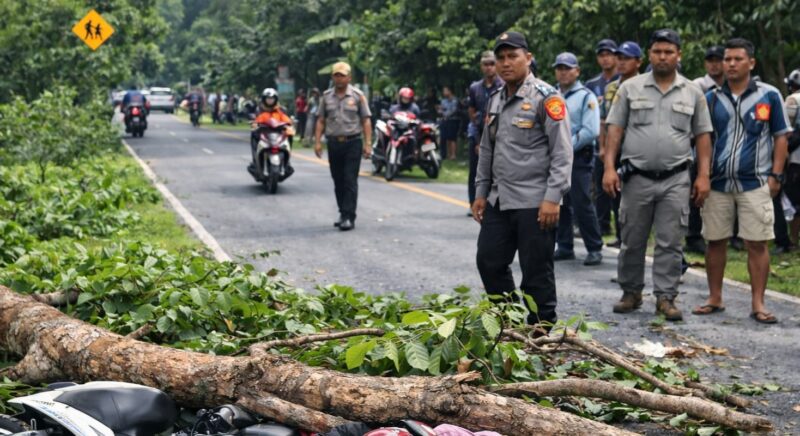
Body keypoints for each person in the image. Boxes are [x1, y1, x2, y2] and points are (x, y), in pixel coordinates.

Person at [603, 29, 713, 321]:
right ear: (648, 55)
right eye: (657, 51)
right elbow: (614, 130)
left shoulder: (692, 91)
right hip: (636, 177)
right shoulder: (630, 88)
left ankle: (666, 297)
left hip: (676, 178)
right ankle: (631, 292)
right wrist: (609, 168)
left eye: (668, 51)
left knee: (670, 241)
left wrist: (704, 176)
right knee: (632, 238)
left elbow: (703, 136)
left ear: (679, 55)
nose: (663, 57)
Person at [473, 31, 573, 328]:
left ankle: (542, 331)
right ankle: (509, 323)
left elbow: (562, 153)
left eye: (512, 56)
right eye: (501, 58)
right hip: (499, 199)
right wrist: (480, 192)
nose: (506, 64)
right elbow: (487, 150)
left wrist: (553, 198)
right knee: (488, 261)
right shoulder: (495, 99)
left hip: (536, 201)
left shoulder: (547, 98)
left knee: (536, 272)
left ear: (528, 58)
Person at [693, 38, 792, 324]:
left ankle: (758, 303)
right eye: (727, 59)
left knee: (757, 243)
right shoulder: (711, 97)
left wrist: (776, 175)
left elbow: (780, 137)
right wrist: (702, 175)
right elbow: (704, 139)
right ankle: (715, 297)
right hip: (718, 182)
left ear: (751, 62)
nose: (731, 64)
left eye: (738, 59)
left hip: (755, 180)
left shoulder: (769, 95)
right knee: (714, 240)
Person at [551, 52, 604, 266]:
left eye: (567, 68)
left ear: (577, 71)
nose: (563, 72)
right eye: (560, 68)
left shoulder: (586, 96)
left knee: (582, 201)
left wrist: (565, 146)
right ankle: (564, 246)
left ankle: (594, 247)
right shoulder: (551, 95)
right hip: (555, 158)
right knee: (560, 201)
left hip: (579, 156)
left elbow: (590, 130)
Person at [314, 62, 372, 232]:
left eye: (342, 75)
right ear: (332, 77)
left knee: (349, 179)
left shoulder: (357, 96)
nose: (339, 78)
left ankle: (349, 216)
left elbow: (366, 120)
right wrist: (317, 142)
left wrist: (368, 144)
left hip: (353, 142)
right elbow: (321, 120)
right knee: (338, 180)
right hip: (333, 143)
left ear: (349, 78)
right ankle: (342, 212)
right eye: (336, 75)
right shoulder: (326, 97)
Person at [683, 45, 726, 255]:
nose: (714, 64)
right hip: (698, 140)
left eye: (718, 59)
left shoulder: (732, 85)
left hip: (723, 143)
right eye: (710, 60)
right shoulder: (697, 85)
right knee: (696, 193)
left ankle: (731, 236)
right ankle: (693, 236)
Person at [599, 41, 643, 248]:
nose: (621, 62)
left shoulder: (645, 85)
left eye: (626, 58)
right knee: (616, 195)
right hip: (615, 149)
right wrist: (604, 147)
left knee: (639, 200)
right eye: (620, 58)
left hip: (637, 149)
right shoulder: (611, 87)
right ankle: (622, 236)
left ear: (638, 62)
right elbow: (604, 121)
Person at [586, 39, 620, 239]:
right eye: (602, 55)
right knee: (599, 186)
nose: (606, 59)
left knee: (617, 187)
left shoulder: (622, 81)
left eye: (610, 54)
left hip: (618, 141)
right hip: (597, 141)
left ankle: (619, 227)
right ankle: (602, 224)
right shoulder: (592, 84)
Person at [467, 52, 504, 215]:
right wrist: (477, 142)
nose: (488, 67)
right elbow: (472, 114)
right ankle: (473, 202)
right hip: (478, 132)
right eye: (485, 64)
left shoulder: (503, 85)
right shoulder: (475, 88)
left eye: (491, 63)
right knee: (475, 171)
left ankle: (494, 203)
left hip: (497, 134)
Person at [248, 88, 295, 177]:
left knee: (290, 134)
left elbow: (286, 119)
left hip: (278, 134)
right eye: (268, 99)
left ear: (276, 99)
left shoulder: (280, 110)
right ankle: (255, 160)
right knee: (253, 134)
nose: (270, 101)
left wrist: (289, 124)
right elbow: (255, 121)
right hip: (264, 133)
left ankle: (287, 162)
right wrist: (255, 124)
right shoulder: (259, 110)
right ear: (264, 99)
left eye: (272, 99)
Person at [783, 69, 800, 245]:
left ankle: (793, 240)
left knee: (795, 200)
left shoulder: (793, 100)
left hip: (796, 159)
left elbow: (785, 131)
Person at [439, 86, 460, 160]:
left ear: (450, 91)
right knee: (446, 138)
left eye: (445, 91)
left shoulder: (455, 100)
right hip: (445, 121)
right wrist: (441, 111)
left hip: (453, 121)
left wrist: (445, 114)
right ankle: (448, 154)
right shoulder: (443, 101)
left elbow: (454, 110)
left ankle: (453, 155)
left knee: (453, 138)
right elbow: (441, 110)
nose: (444, 92)